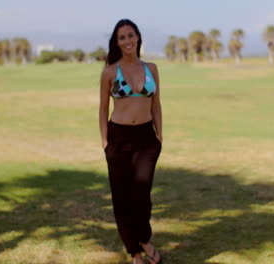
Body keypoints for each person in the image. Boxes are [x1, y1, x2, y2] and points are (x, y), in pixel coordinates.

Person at [99, 19, 163, 264]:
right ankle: (135, 253)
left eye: (130, 35)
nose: (127, 40)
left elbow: (156, 104)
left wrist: (159, 137)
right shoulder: (109, 71)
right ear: (117, 43)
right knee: (122, 198)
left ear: (138, 38)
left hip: (146, 139)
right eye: (121, 37)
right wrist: (106, 142)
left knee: (141, 195)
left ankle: (144, 239)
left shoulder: (152, 69)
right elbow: (103, 109)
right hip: (119, 138)